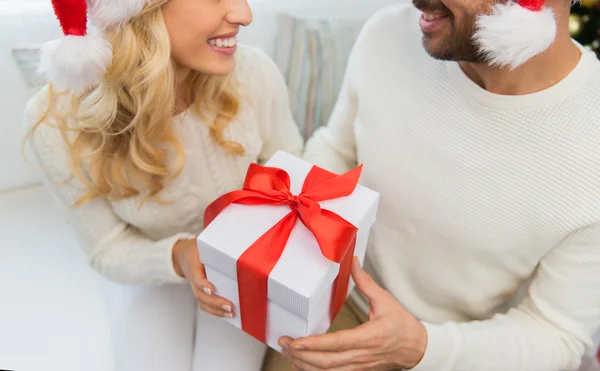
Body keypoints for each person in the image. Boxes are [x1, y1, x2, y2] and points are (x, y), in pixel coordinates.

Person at [262, 0, 600, 370]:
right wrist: (276, 242)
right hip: (335, 306)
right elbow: (337, 148)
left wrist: (419, 347)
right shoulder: (390, 33)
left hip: (467, 353)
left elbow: (557, 333)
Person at [24, 0, 303, 370]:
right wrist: (180, 256)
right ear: (138, 12)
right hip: (149, 265)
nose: (244, 14)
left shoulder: (253, 74)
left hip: (242, 263)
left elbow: (290, 169)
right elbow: (107, 248)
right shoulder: (57, 121)